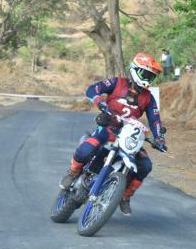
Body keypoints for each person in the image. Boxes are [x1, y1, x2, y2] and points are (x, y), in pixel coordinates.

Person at [59, 53, 167, 216]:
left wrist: (159, 138)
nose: (148, 79)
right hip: (108, 127)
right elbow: (92, 89)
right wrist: (100, 102)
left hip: (129, 136)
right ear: (135, 70)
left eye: (151, 76)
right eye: (146, 74)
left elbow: (155, 120)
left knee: (145, 165)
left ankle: (125, 196)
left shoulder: (148, 98)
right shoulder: (117, 83)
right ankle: (72, 172)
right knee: (87, 149)